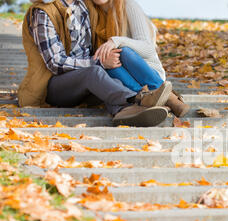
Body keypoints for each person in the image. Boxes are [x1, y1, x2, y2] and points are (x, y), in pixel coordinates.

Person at [18, 0, 171, 127]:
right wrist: (99, 62)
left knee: (112, 76)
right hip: (52, 86)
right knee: (95, 72)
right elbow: (55, 63)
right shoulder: (43, 13)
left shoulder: (83, 7)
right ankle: (138, 100)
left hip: (85, 84)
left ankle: (125, 112)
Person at [92, 0, 191, 118]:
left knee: (124, 52)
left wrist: (116, 41)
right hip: (120, 76)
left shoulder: (128, 5)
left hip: (147, 71)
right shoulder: (89, 13)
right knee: (107, 63)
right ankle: (151, 100)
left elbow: (148, 48)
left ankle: (163, 94)